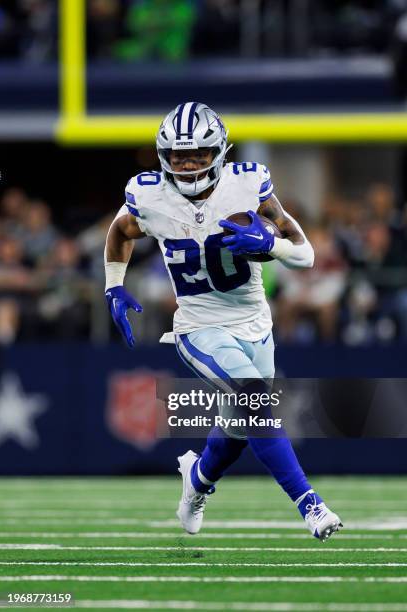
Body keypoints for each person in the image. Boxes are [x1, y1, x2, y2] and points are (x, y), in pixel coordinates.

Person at [104, 102, 342, 541]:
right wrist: (114, 285)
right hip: (199, 326)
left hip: (255, 323)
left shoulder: (247, 185)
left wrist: (270, 245)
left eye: (198, 153)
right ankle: (310, 505)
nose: (189, 163)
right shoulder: (149, 194)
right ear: (164, 157)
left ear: (220, 151)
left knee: (237, 429)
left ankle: (197, 480)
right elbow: (120, 231)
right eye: (179, 155)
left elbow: (305, 255)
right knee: (257, 404)